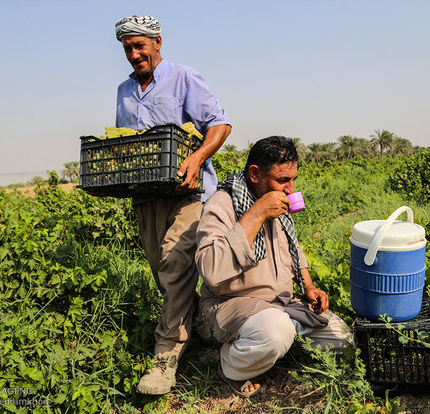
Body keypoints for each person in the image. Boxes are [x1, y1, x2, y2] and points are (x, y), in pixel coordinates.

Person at [114, 15, 231, 395]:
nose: (134, 54)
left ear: (157, 42)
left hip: (187, 193)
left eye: (140, 46)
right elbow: (128, 144)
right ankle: (202, 328)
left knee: (175, 265)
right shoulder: (124, 90)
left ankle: (164, 360)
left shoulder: (183, 77)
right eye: (127, 47)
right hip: (146, 196)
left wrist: (196, 159)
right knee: (163, 273)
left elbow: (219, 125)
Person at [196, 136, 352, 397]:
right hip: (233, 304)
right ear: (255, 174)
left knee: (344, 341)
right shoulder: (221, 204)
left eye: (293, 180)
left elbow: (293, 247)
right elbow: (210, 271)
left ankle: (272, 345)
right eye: (282, 180)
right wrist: (256, 214)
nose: (290, 189)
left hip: (282, 303)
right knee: (276, 331)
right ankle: (232, 364)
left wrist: (309, 286)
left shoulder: (277, 201)